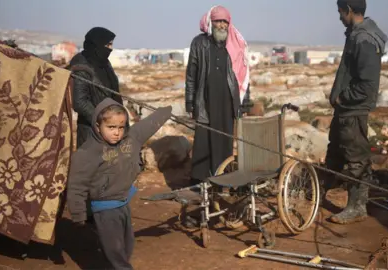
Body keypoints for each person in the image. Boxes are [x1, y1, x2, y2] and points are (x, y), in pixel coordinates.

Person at [67, 98, 172, 269]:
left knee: (126, 244)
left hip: (123, 202)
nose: (117, 132)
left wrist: (166, 111)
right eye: (111, 127)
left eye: (121, 127)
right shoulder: (87, 153)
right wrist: (78, 214)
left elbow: (148, 125)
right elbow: (77, 185)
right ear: (97, 126)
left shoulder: (130, 139)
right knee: (114, 250)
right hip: (105, 207)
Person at [325, 0, 388, 224]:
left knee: (356, 159)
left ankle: (357, 206)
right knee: (335, 150)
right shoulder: (356, 34)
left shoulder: (364, 39)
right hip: (345, 110)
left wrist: (343, 97)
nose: (339, 17)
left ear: (349, 11)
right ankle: (320, 192)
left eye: (341, 12)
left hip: (353, 110)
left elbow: (367, 86)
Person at [185, 5, 251, 184]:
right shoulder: (199, 43)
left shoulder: (236, 44)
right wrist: (190, 103)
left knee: (224, 140)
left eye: (224, 21)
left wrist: (244, 104)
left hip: (227, 102)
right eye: (218, 21)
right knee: (203, 140)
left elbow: (243, 76)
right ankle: (200, 181)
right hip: (205, 100)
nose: (221, 25)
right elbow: (191, 74)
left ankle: (222, 178)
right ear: (210, 22)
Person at [68, 27, 123, 149]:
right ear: (97, 44)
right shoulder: (81, 67)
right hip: (91, 129)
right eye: (108, 45)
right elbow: (80, 102)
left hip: (111, 126)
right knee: (93, 165)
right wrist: (102, 122)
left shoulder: (104, 62)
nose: (110, 48)